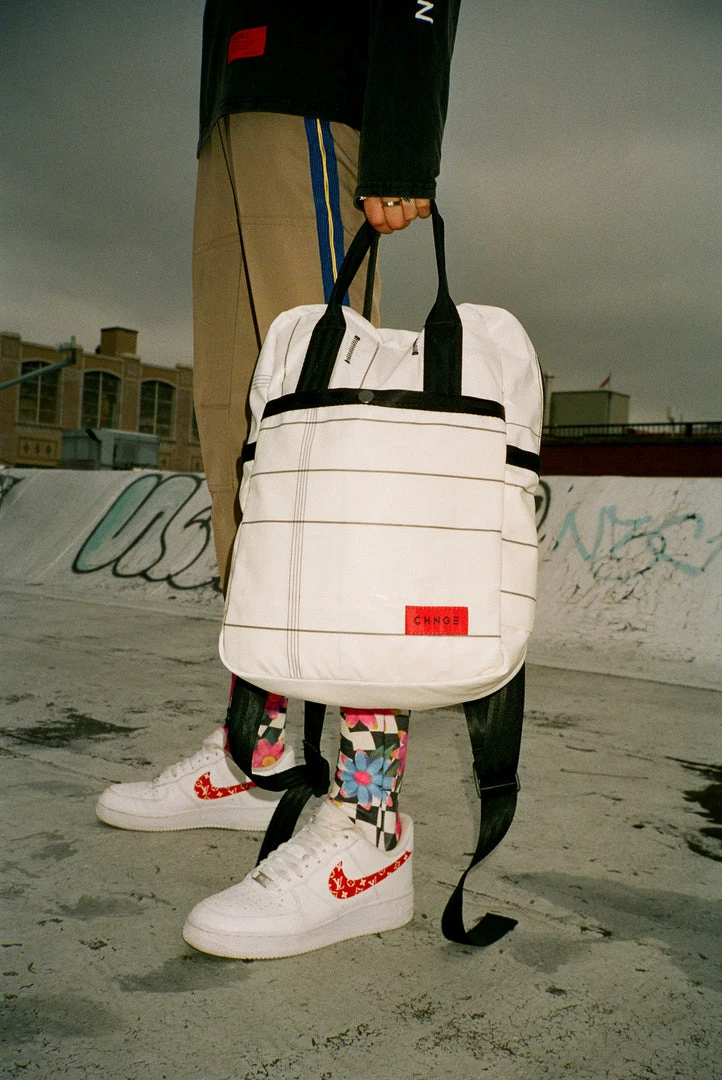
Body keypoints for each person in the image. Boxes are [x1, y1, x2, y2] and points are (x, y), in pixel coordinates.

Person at [96, 0, 462, 959]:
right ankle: (257, 756)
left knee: (332, 468)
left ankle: (369, 825)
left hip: (316, 91)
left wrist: (403, 139)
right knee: (244, 455)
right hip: (235, 110)